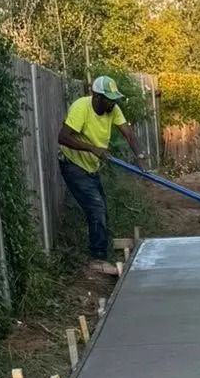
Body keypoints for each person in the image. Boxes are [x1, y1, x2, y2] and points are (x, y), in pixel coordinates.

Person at [58, 76, 144, 274]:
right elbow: (62, 137)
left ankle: (100, 253)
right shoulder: (82, 107)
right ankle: (97, 260)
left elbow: (128, 132)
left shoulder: (112, 109)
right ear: (96, 96)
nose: (112, 103)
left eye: (114, 99)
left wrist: (139, 156)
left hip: (91, 168)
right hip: (73, 164)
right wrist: (92, 149)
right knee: (96, 208)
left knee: (101, 209)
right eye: (108, 98)